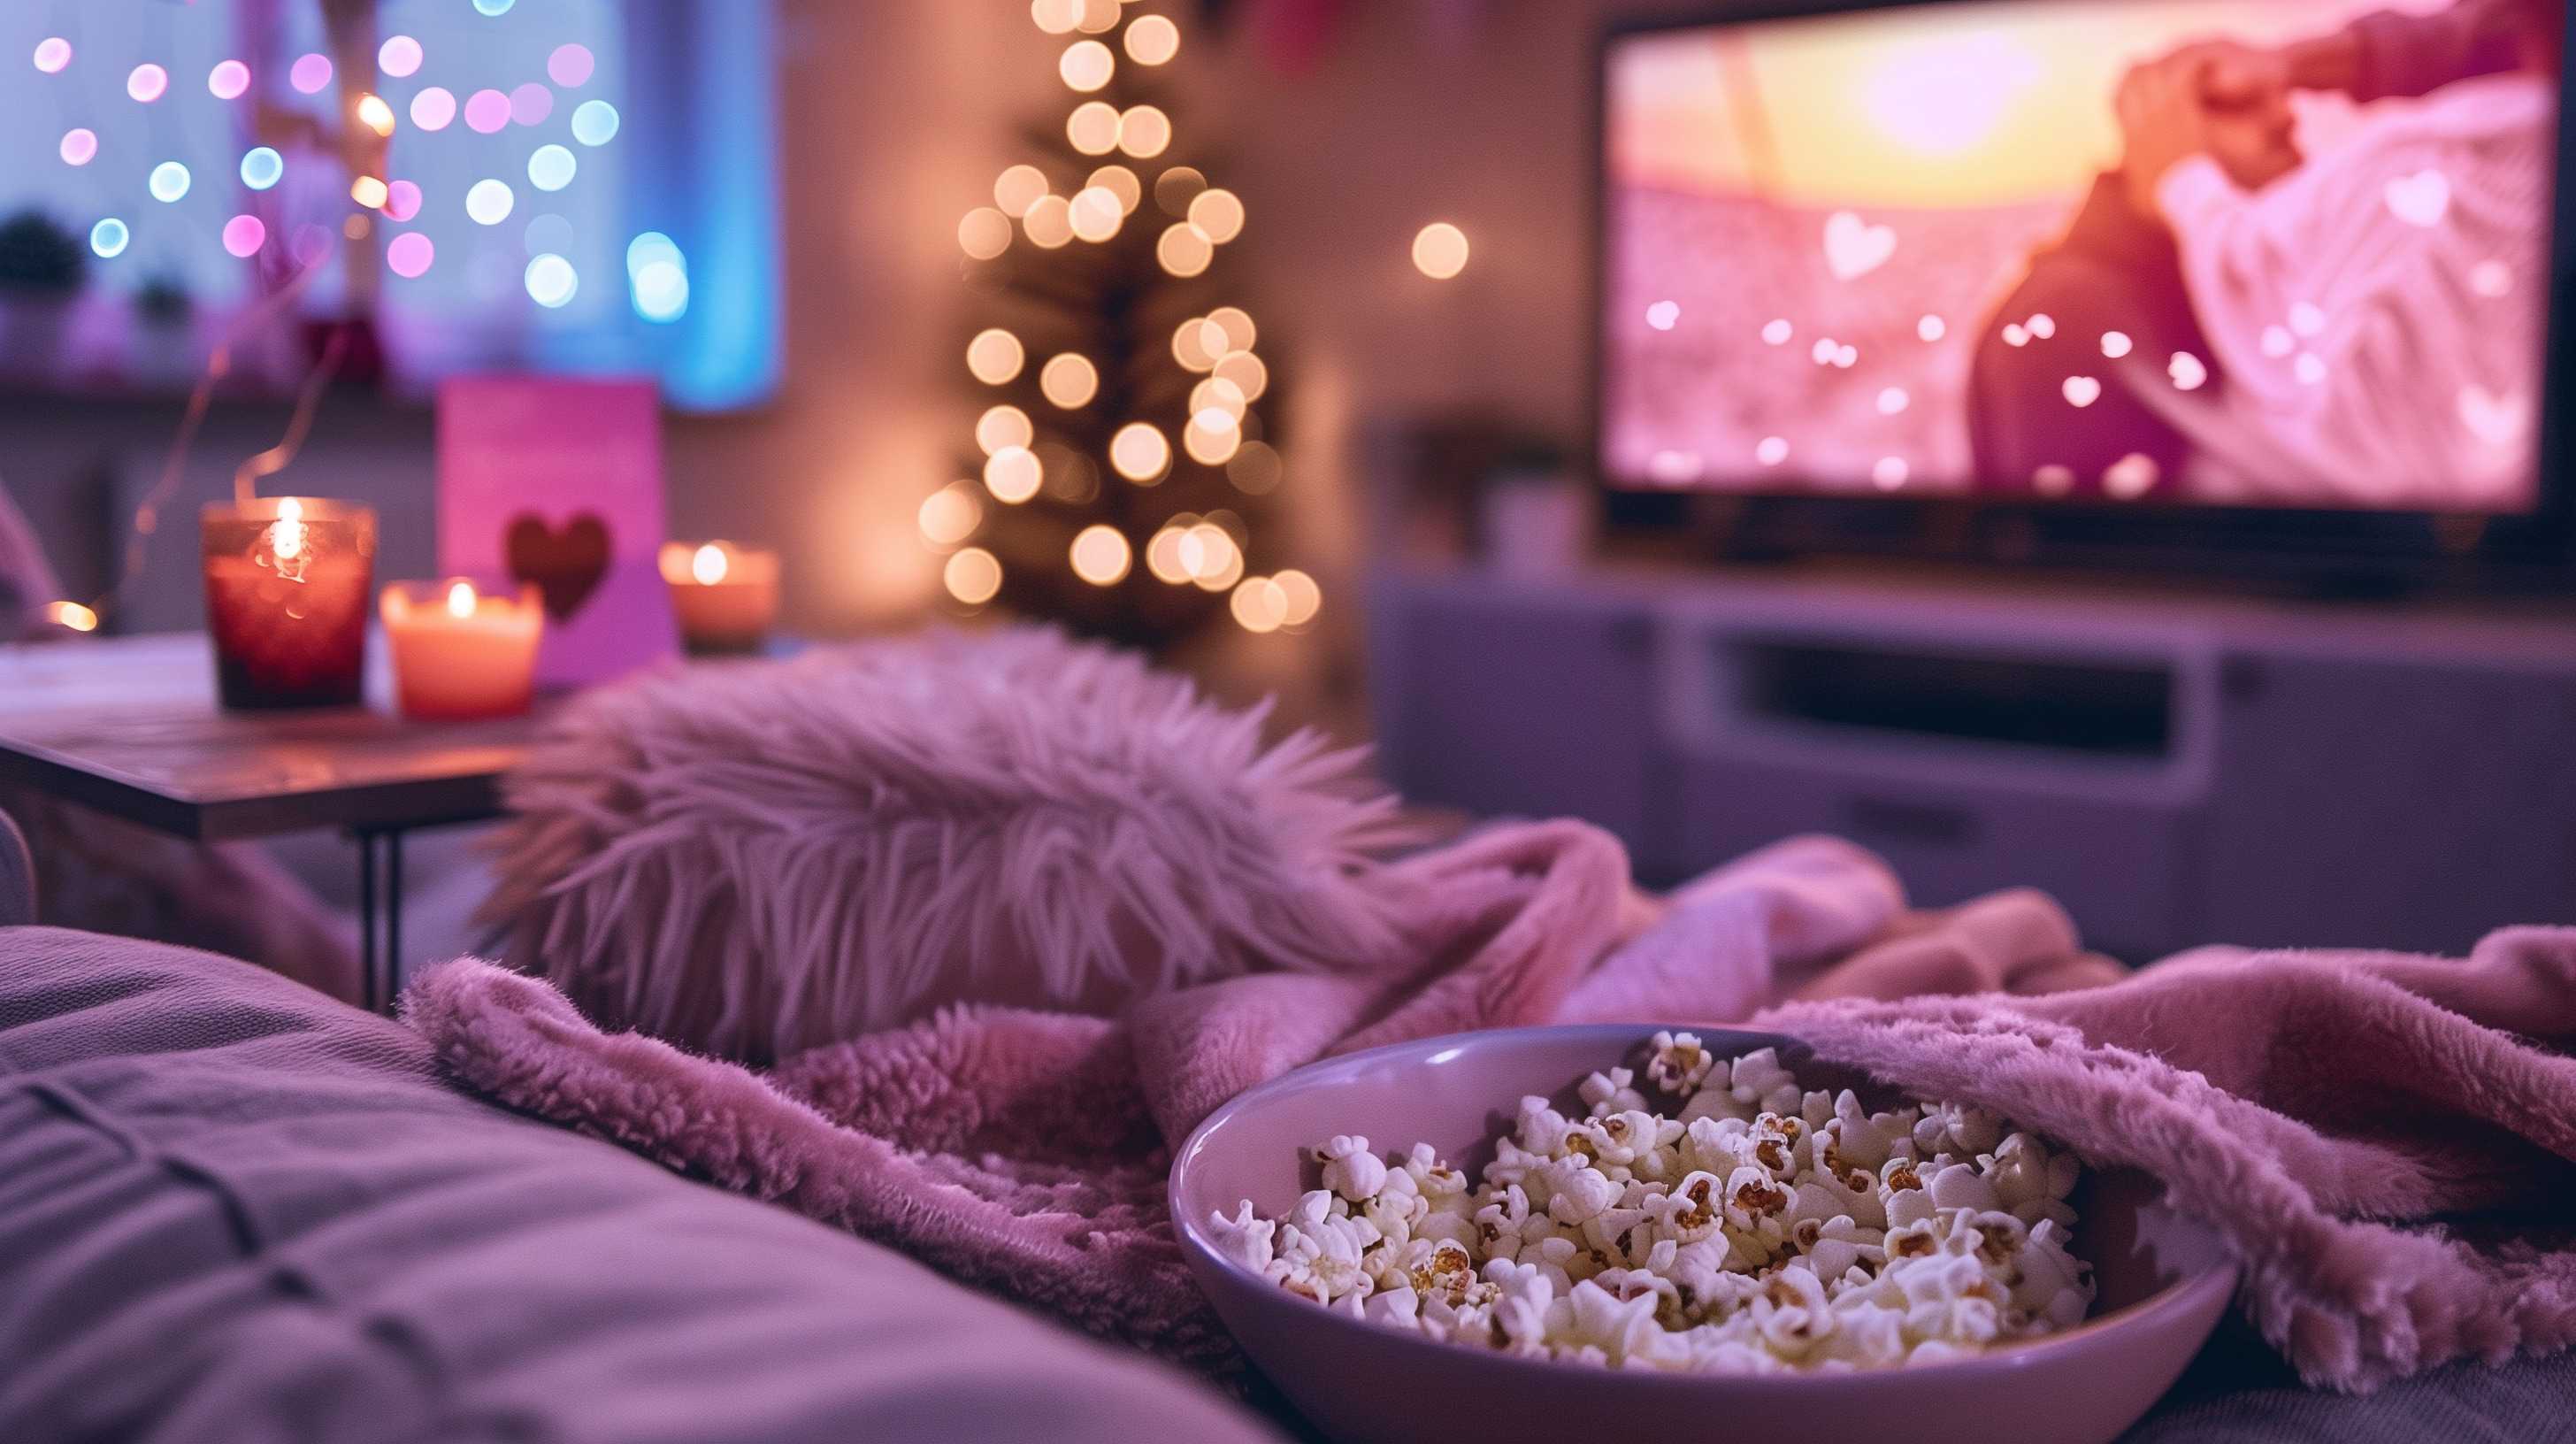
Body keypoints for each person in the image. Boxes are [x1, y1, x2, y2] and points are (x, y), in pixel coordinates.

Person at [1966, 0, 2526, 499]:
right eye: (2230, 103)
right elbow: (2085, 577)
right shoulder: (2074, 315)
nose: (2287, 114)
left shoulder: (2228, 280)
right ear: (2153, 139)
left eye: (2278, 97)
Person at [2118, 0, 2560, 507]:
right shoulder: (2086, 296)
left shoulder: (2455, 171)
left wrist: (2186, 186)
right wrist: (2286, 63)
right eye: (2231, 104)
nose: (2287, 114)